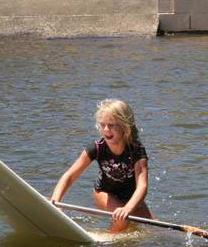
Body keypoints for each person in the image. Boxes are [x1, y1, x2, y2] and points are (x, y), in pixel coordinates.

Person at [50, 98, 152, 233]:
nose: (106, 129)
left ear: (125, 127)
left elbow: (142, 186)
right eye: (102, 124)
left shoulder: (136, 151)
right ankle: (107, 239)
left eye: (111, 125)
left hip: (130, 196)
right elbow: (69, 176)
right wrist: (55, 200)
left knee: (153, 227)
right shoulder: (96, 148)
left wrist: (127, 208)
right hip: (104, 193)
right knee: (122, 220)